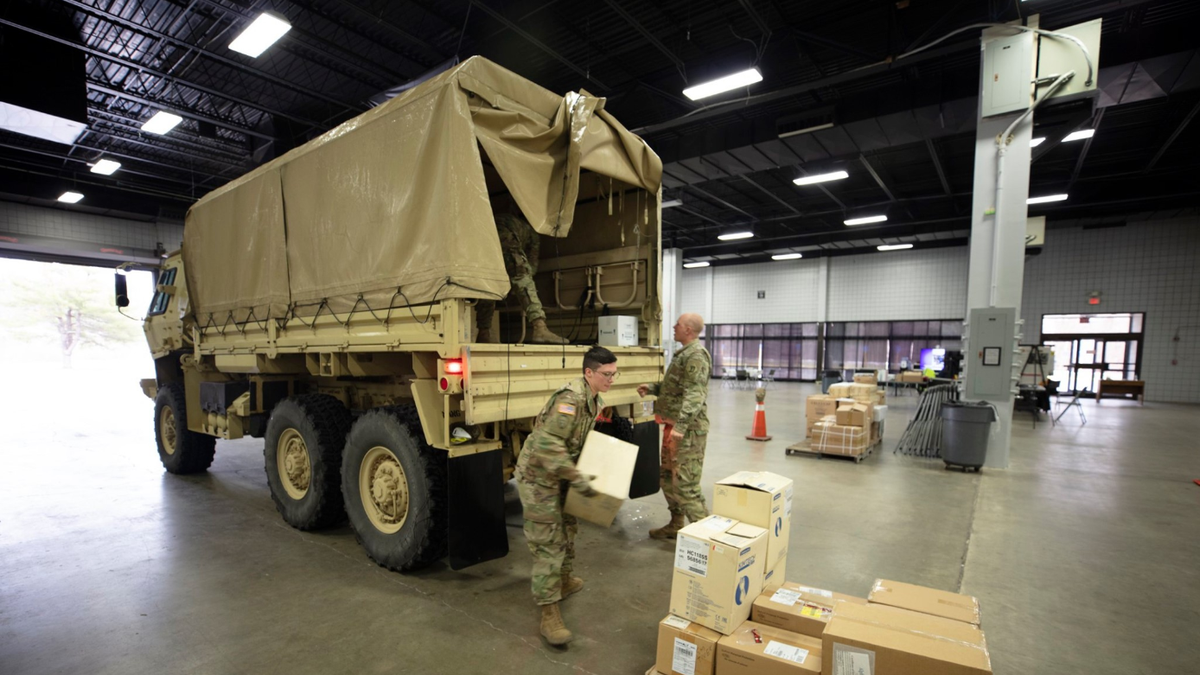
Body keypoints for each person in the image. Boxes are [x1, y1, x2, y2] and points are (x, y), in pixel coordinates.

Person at [516, 345, 619, 646]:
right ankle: (549, 614)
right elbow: (548, 445)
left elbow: (577, 440)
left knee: (568, 529)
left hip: (560, 474)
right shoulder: (569, 399)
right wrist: (578, 478)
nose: (612, 379)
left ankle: (563, 579)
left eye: (615, 373)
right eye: (607, 374)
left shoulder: (594, 398)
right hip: (539, 478)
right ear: (589, 372)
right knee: (547, 543)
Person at [637, 313, 712, 540]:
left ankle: (709, 540)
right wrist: (653, 388)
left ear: (688, 329)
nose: (673, 326)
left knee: (687, 486)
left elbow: (694, 395)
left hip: (686, 431)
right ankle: (677, 523)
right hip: (674, 428)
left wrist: (680, 426)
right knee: (668, 480)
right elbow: (677, 388)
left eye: (677, 324)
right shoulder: (685, 354)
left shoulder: (696, 356)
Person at [476, 212, 568, 344]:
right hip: (505, 238)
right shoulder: (532, 233)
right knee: (522, 277)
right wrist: (518, 288)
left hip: (482, 241)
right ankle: (540, 328)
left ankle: (484, 332)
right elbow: (530, 267)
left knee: (489, 284)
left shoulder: (505, 220)